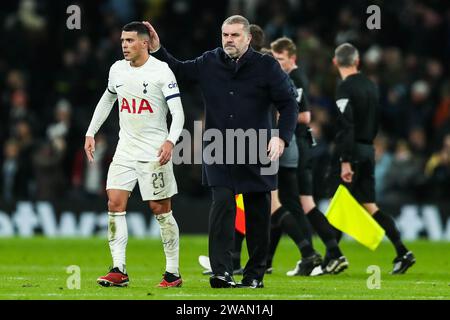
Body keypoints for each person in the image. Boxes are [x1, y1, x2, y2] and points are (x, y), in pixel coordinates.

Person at [144, 15, 298, 288]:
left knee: (257, 215)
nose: (228, 39)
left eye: (235, 35)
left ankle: (254, 275)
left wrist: (282, 138)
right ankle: (221, 272)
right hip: (219, 148)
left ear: (248, 38)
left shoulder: (266, 66)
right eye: (225, 34)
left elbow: (288, 104)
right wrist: (158, 50)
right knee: (222, 206)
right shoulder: (209, 61)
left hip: (257, 148)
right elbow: (178, 71)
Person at [84, 22, 185, 288]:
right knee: (114, 204)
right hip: (125, 150)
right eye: (122, 41)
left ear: (145, 43)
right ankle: (119, 270)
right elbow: (107, 100)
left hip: (154, 153)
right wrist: (91, 132)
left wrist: (170, 141)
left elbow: (179, 113)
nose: (124, 46)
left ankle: (172, 273)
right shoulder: (117, 69)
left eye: (130, 41)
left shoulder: (161, 71)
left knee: (160, 210)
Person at [329, 43, 415, 274]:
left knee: (339, 203)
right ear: (357, 62)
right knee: (369, 206)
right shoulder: (371, 85)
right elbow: (376, 119)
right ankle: (402, 251)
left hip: (353, 152)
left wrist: (345, 160)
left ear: (336, 63)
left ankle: (332, 256)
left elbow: (346, 124)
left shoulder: (344, 87)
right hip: (368, 150)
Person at [269, 37, 348, 275]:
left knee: (294, 204)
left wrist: (270, 117)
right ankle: (331, 252)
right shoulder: (292, 78)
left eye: (280, 59)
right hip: (300, 144)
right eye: (274, 58)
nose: (276, 63)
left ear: (292, 58)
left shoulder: (293, 78)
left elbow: (304, 116)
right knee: (299, 203)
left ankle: (312, 256)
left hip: (298, 143)